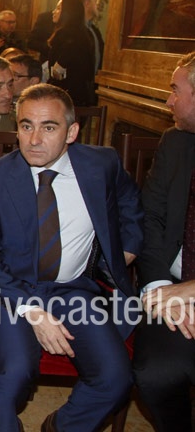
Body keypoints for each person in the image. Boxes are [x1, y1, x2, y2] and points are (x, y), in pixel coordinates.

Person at [0, 83, 141, 432]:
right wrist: (32, 311)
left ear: (72, 132)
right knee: (14, 373)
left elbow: (130, 203)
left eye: (48, 127)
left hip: (72, 289)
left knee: (115, 379)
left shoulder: (101, 164)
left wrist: (127, 248)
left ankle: (59, 427)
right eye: (26, 125)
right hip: (8, 292)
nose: (34, 139)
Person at [133, 51, 195, 431]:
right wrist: (160, 290)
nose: (168, 100)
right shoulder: (175, 143)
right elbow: (150, 219)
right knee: (155, 372)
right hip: (170, 288)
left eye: (175, 90)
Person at [48, 0, 96, 106]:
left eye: (58, 8)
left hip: (66, 97)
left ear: (68, 13)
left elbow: (57, 71)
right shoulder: (84, 34)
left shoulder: (67, 36)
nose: (54, 11)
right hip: (79, 95)